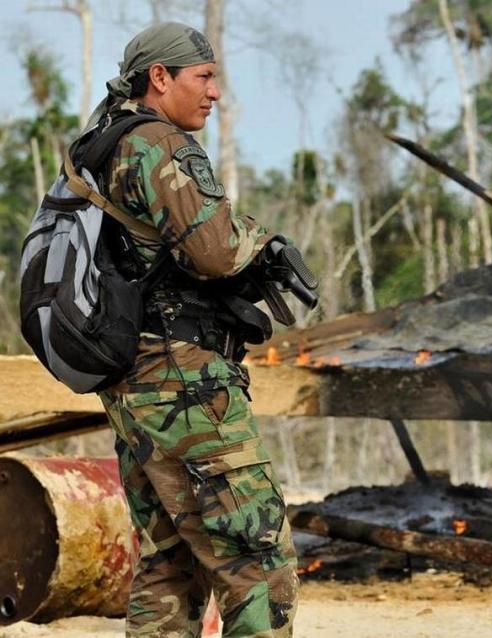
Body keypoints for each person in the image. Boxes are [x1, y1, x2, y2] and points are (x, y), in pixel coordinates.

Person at [89, 22, 299, 636]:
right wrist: (261, 240)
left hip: (135, 379)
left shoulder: (103, 141)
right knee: (259, 561)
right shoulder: (159, 142)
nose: (214, 93)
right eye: (203, 78)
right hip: (184, 382)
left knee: (171, 564)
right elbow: (214, 250)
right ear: (161, 77)